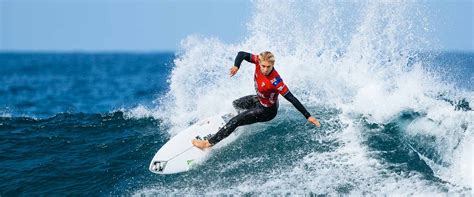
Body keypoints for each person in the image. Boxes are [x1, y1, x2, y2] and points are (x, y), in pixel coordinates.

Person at [192, 51, 320, 149]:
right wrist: (236, 66)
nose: (265, 69)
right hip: (259, 99)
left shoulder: (276, 81)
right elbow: (241, 54)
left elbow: (292, 98)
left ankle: (208, 143)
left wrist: (308, 116)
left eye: (268, 67)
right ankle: (236, 124)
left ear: (273, 65)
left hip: (267, 111)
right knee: (236, 104)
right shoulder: (258, 61)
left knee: (235, 121)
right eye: (263, 66)